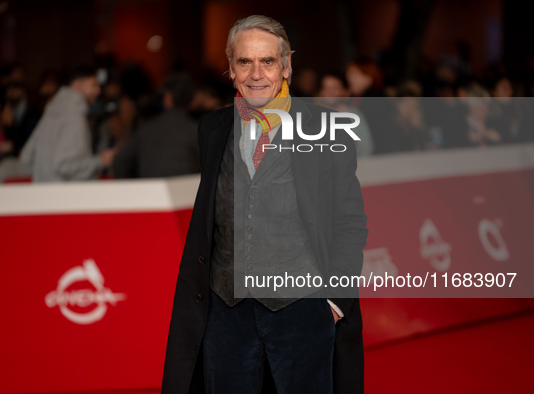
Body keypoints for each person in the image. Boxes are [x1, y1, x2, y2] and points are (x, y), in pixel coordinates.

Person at [162, 15, 368, 394]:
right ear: (230, 67)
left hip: (303, 308)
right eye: (245, 62)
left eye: (268, 61)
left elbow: (350, 223)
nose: (256, 74)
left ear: (287, 65)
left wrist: (335, 303)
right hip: (226, 311)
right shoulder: (212, 128)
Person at [20, 66, 115, 182]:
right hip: (66, 197)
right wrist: (100, 161)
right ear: (78, 85)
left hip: (44, 195)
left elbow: (26, 157)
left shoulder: (50, 113)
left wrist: (46, 178)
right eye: (94, 85)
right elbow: (65, 165)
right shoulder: (74, 116)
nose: (98, 90)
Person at [113, 73, 199, 178]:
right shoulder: (197, 131)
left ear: (168, 99)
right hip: (189, 192)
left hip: (151, 192)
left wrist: (134, 189)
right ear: (193, 100)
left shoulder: (146, 129)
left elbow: (120, 162)